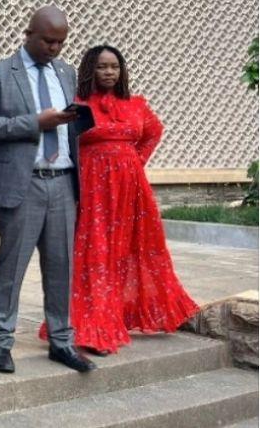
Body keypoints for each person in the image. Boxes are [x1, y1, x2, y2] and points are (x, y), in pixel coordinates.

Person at [38, 45, 198, 354]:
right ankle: (94, 326)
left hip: (131, 190)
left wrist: (134, 161)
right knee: (95, 253)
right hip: (93, 188)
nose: (110, 72)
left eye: (114, 66)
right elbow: (62, 140)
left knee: (128, 250)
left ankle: (119, 314)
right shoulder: (76, 104)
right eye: (102, 67)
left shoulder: (135, 105)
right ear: (90, 71)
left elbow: (153, 132)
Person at [0, 5, 96, 375]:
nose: (55, 48)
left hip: (62, 182)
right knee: (12, 266)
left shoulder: (66, 72)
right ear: (28, 34)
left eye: (61, 42)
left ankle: (62, 340)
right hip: (22, 184)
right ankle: (1, 341)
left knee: (61, 266)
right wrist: (34, 123)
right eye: (48, 41)